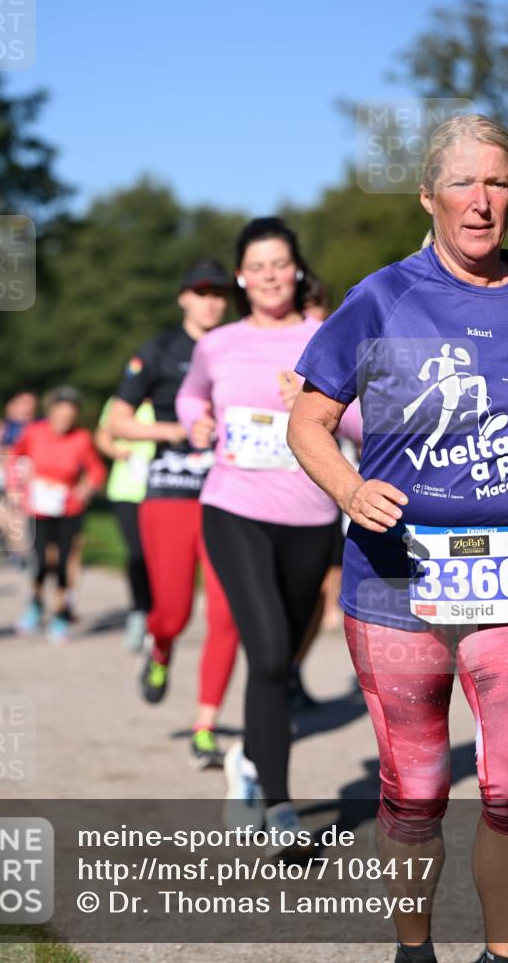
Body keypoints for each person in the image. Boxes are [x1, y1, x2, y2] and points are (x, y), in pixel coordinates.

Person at [288, 115, 508, 963]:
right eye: (465, 183)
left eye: (499, 182)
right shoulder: (379, 298)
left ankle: (502, 958)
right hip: (395, 585)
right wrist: (349, 488)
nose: (483, 202)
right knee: (415, 791)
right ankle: (414, 950)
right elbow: (309, 423)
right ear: (428, 195)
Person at [176, 219, 362, 840]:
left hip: (310, 518)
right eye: (257, 266)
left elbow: (365, 425)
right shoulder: (218, 343)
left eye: (280, 264)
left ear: (297, 269)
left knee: (280, 661)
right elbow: (189, 396)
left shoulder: (327, 337)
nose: (270, 275)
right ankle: (281, 808)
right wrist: (197, 422)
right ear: (241, 277)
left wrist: (312, 407)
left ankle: (248, 760)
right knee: (269, 649)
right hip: (233, 507)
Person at [108, 258, 239, 769]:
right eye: (201, 292)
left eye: (218, 293)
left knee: (227, 616)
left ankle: (204, 726)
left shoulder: (236, 345)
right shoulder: (158, 350)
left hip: (229, 498)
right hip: (168, 496)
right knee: (175, 612)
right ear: (183, 297)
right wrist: (172, 432)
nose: (211, 301)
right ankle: (160, 647)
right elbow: (119, 420)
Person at [8, 386, 106, 643]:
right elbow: (14, 458)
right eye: (61, 415)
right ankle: (36, 604)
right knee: (40, 562)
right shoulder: (34, 433)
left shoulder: (81, 438)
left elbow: (96, 470)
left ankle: (61, 614)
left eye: (70, 417)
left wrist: (87, 488)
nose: (65, 421)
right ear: (50, 412)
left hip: (68, 507)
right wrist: (15, 487)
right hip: (38, 507)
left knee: (64, 564)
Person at [95, 396, 155, 650]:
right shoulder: (122, 401)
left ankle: (160, 615)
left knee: (161, 557)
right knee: (137, 554)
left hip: (161, 490)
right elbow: (102, 436)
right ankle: (140, 612)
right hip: (127, 490)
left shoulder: (173, 394)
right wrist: (116, 451)